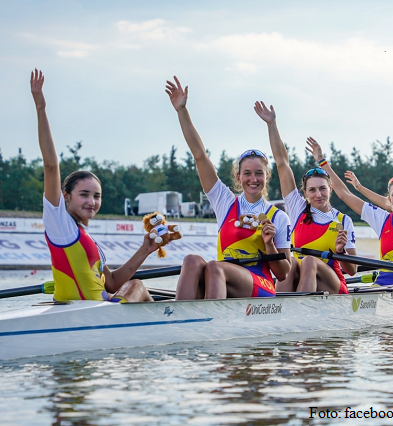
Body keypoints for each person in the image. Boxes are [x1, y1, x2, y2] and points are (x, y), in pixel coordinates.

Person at [31, 69, 154, 303]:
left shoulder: (88, 240)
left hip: (96, 309)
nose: (92, 202)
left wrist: (145, 249)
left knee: (131, 285)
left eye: (96, 196)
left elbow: (114, 283)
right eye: (84, 194)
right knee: (137, 285)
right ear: (65, 196)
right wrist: (41, 108)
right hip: (92, 316)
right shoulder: (61, 225)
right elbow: (50, 166)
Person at [166, 77, 290, 299]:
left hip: (260, 283)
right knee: (191, 261)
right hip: (223, 277)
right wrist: (181, 111)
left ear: (267, 176)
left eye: (259, 173)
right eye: (248, 174)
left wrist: (269, 244)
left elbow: (283, 273)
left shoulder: (278, 217)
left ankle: (212, 323)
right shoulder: (225, 201)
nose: (253, 179)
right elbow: (199, 155)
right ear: (238, 177)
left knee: (215, 266)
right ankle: (178, 321)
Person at [307, 139, 393, 289]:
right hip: (382, 284)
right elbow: (344, 194)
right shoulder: (381, 218)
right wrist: (322, 161)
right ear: (389, 199)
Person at [254, 101, 357, 294]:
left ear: (330, 189)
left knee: (308, 260)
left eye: (322, 189)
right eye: (312, 190)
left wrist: (340, 251)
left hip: (333, 283)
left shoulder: (343, 221)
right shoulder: (298, 208)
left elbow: (352, 271)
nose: (318, 194)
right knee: (290, 262)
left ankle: (297, 309)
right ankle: (278, 308)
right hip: (301, 277)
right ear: (305, 193)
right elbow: (282, 163)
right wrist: (271, 124)